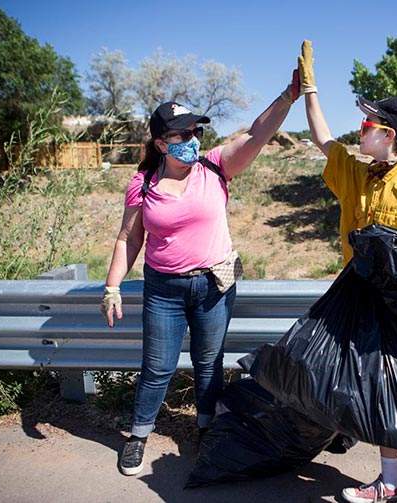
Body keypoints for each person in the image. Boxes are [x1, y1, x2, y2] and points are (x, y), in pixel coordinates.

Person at [101, 70, 300, 476]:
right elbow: (128, 238)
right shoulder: (142, 184)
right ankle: (138, 435)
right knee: (157, 366)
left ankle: (207, 430)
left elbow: (256, 136)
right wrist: (112, 287)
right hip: (164, 290)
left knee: (209, 362)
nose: (192, 140)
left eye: (195, 131)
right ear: (160, 143)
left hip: (214, 285)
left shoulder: (214, 167)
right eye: (182, 134)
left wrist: (287, 96)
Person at [298, 40, 397, 503]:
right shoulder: (356, 173)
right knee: (373, 389)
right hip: (357, 298)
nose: (359, 132)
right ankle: (389, 478)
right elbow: (324, 139)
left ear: (389, 137)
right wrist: (310, 90)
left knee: (391, 390)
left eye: (367, 126)